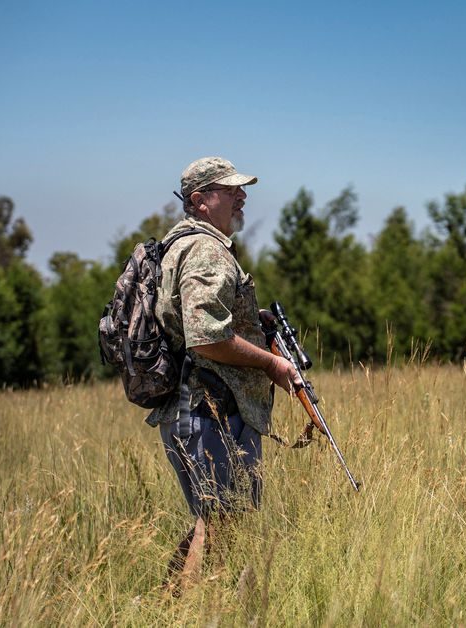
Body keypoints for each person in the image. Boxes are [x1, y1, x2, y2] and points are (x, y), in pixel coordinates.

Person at [148, 156, 300, 593]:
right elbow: (205, 338)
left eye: (241, 189)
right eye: (229, 190)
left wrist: (252, 322)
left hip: (199, 408)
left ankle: (166, 609)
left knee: (212, 522)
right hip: (209, 409)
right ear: (199, 200)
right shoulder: (205, 249)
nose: (242, 196)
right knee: (221, 524)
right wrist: (272, 363)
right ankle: (192, 612)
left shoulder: (181, 245)